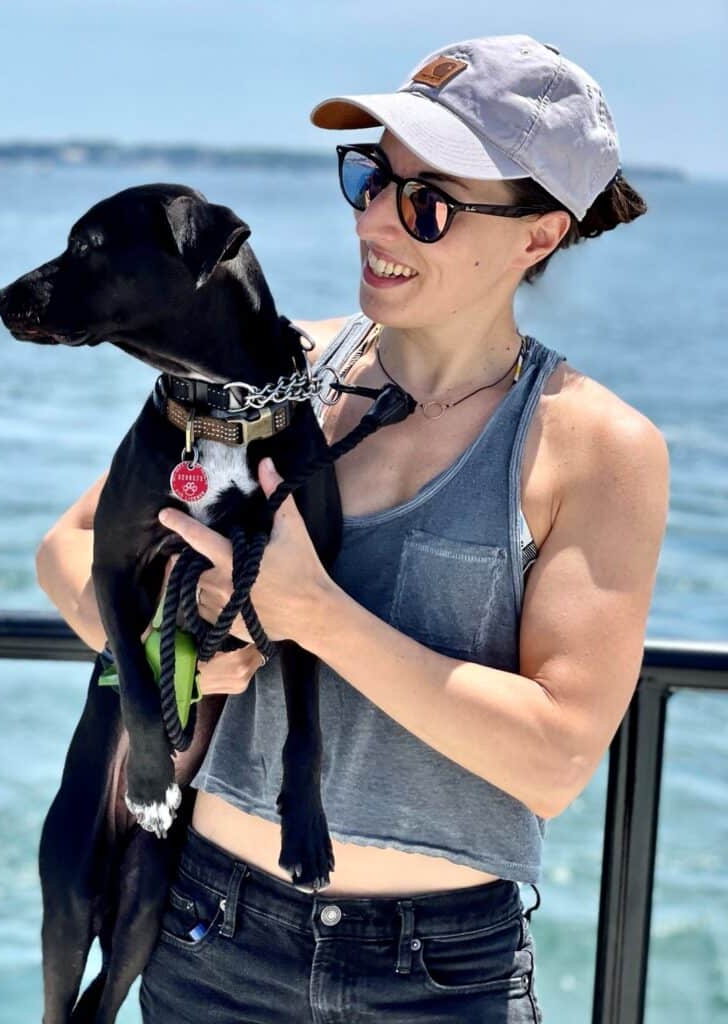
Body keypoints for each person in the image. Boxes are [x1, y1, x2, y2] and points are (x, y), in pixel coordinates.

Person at [36, 33, 669, 1023]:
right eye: (371, 176)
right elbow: (69, 550)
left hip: (439, 977)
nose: (376, 216)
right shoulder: (280, 364)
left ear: (537, 235)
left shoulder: (593, 445)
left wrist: (313, 614)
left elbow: (554, 758)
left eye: (425, 203)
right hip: (207, 937)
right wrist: (171, 645)